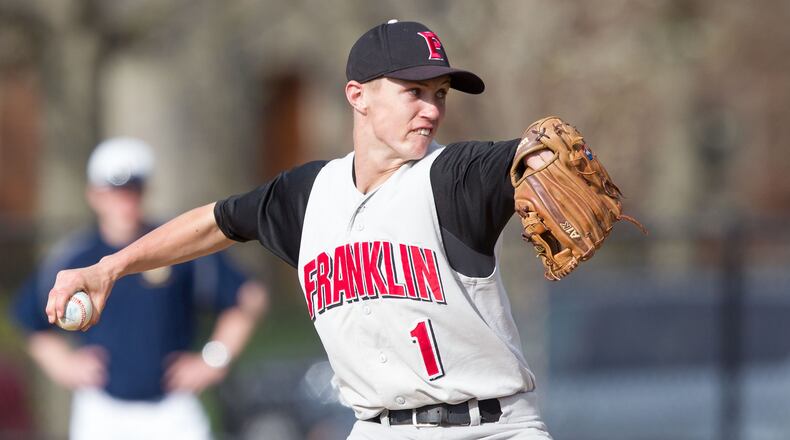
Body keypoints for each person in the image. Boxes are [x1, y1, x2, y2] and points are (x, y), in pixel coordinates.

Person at [45, 21, 556, 439]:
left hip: (492, 428)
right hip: (379, 428)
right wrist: (110, 267)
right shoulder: (309, 195)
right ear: (358, 95)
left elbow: (520, 157)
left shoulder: (454, 176)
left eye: (440, 93)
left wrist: (544, 157)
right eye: (414, 91)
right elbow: (217, 221)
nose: (432, 109)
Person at [14, 137, 268, 440]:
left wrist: (214, 359)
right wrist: (63, 364)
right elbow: (28, 318)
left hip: (172, 410)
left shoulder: (175, 246)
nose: (125, 201)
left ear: (144, 191)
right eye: (114, 191)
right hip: (101, 411)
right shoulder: (74, 257)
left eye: (132, 190)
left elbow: (248, 298)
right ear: (94, 195)